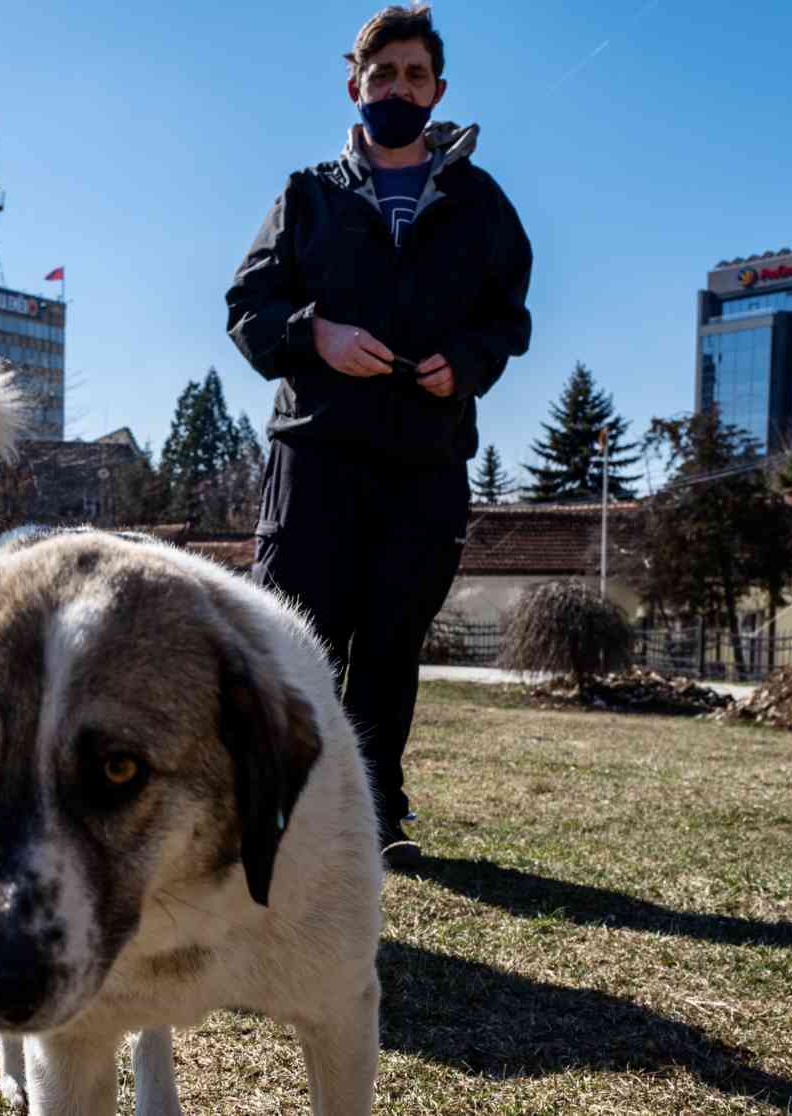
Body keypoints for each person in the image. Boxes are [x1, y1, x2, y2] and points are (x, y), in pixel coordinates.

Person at [226, 4, 532, 870]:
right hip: (316, 454)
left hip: (425, 462)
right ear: (354, 85)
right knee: (297, 639)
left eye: (415, 76)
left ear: (438, 91)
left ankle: (374, 810)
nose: (399, 88)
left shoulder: (480, 204)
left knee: (391, 646)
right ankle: (275, 805)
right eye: (383, 74)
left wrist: (466, 363)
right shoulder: (307, 194)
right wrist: (313, 334)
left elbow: (507, 318)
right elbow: (247, 308)